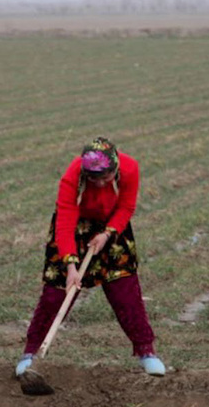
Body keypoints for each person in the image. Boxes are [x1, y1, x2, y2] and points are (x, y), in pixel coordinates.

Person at [15, 136, 165, 377]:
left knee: (124, 290)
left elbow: (126, 206)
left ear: (115, 167)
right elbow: (64, 221)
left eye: (106, 178)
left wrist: (107, 234)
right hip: (75, 229)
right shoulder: (72, 176)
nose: (101, 183)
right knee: (56, 294)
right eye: (95, 179)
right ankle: (31, 354)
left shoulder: (129, 168)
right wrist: (71, 267)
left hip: (112, 227)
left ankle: (146, 352)